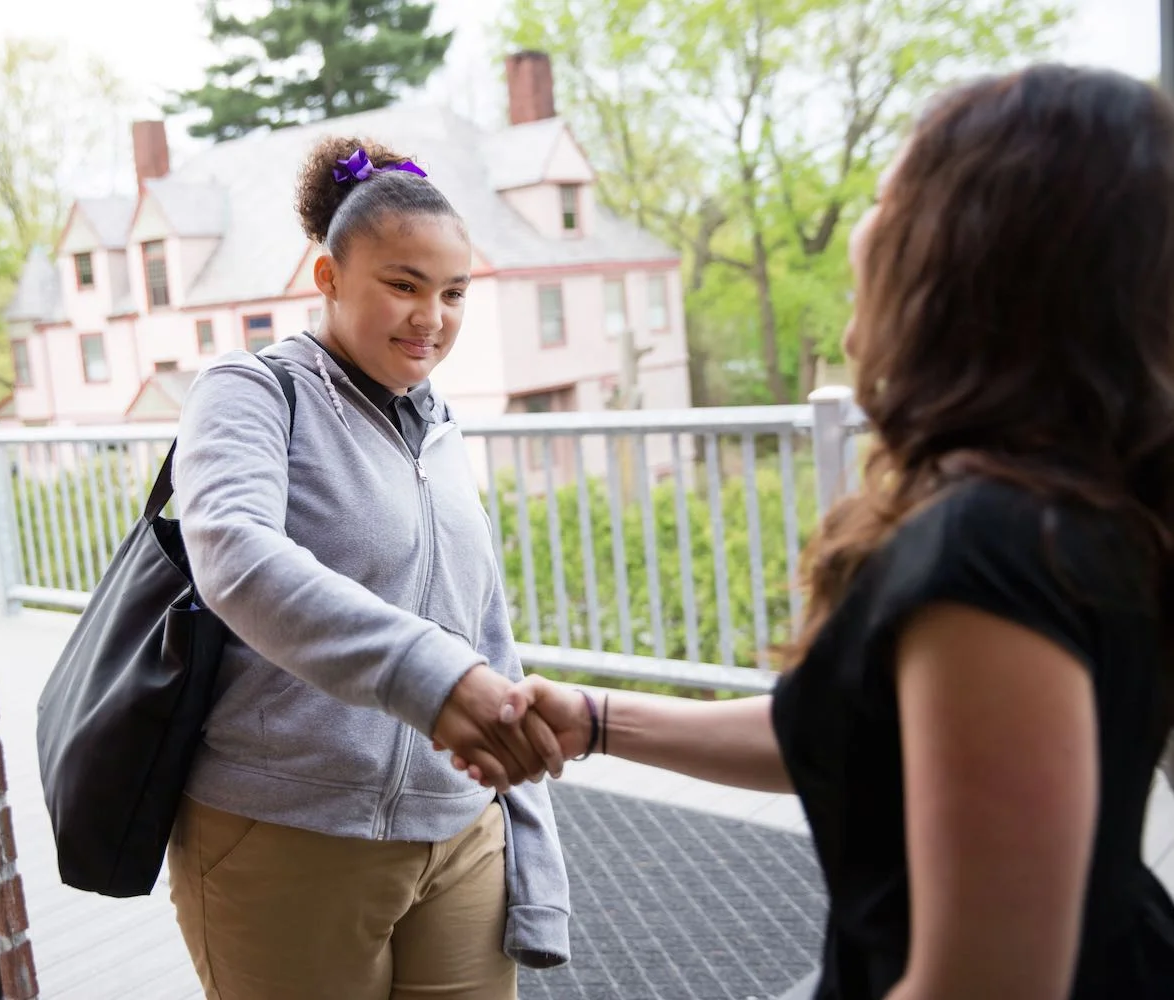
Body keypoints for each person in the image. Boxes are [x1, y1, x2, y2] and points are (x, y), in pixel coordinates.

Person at [456, 65, 1174, 999]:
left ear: (964, 251)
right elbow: (864, 734)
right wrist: (598, 721)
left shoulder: (990, 551)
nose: (862, 232)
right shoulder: (1057, 503)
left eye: (885, 200)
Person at [169, 135, 570, 1000]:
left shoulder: (439, 423)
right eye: (403, 285)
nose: (432, 317)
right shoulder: (251, 389)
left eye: (453, 293)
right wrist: (432, 677)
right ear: (328, 276)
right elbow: (234, 555)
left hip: (459, 826)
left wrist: (524, 816)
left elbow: (483, 624)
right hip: (286, 828)